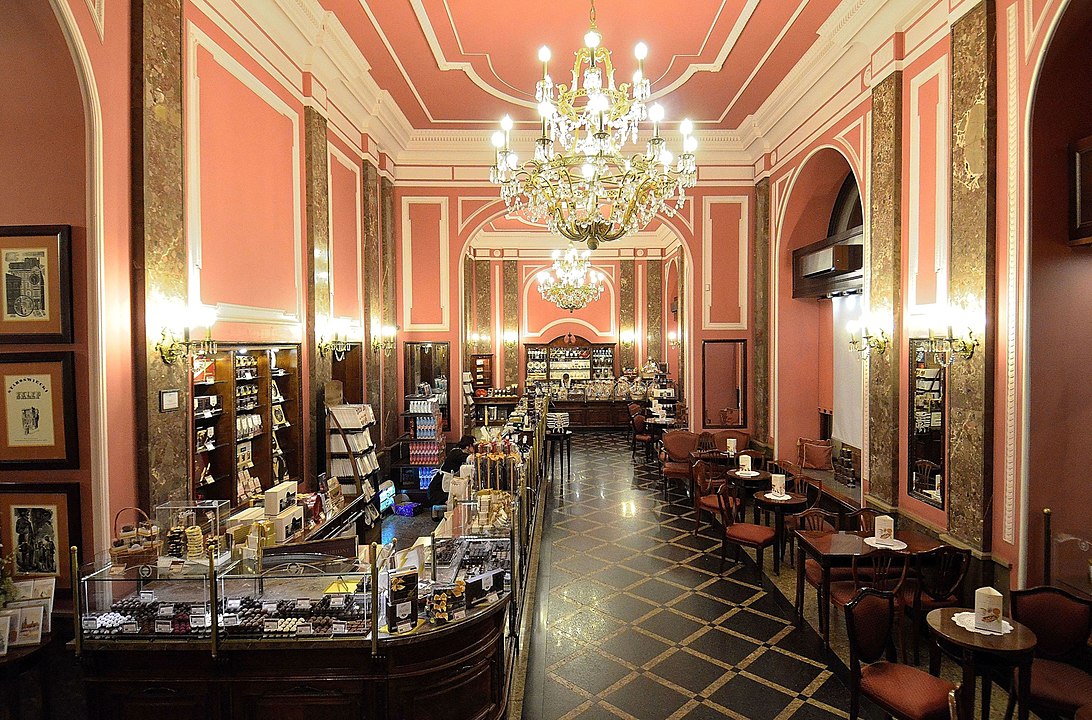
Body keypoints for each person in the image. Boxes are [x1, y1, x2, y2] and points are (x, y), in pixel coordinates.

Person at [428, 435, 475, 506]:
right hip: (439, 487)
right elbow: (469, 458)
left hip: (443, 481)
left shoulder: (456, 451)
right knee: (449, 498)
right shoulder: (456, 452)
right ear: (468, 446)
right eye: (473, 446)